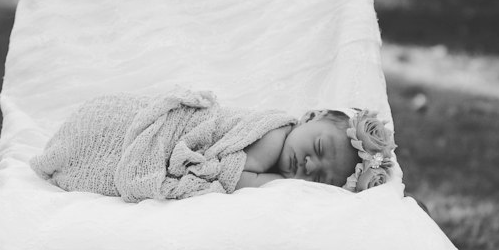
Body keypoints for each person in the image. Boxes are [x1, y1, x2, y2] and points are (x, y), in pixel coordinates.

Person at [30, 90, 398, 201]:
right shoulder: (273, 135)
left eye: (321, 179)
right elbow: (234, 175)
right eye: (317, 147)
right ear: (307, 117)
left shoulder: (285, 146)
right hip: (147, 127)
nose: (310, 166)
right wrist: (291, 188)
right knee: (109, 144)